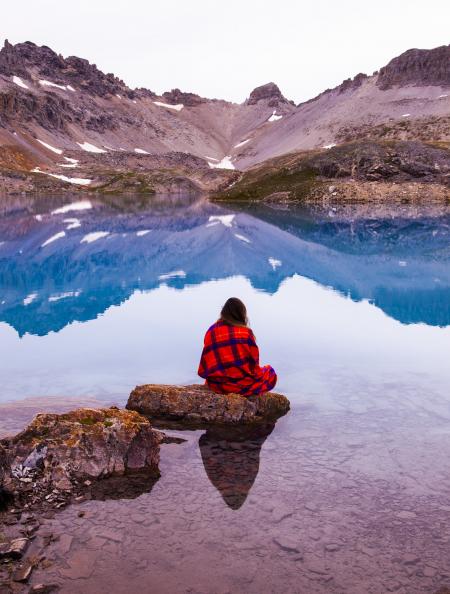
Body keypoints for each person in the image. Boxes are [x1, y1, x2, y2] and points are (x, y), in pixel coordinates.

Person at [198, 297, 277, 396]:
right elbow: (254, 365)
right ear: (241, 314)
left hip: (217, 385)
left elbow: (207, 361)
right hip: (242, 385)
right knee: (270, 372)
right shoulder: (245, 333)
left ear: (223, 312)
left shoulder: (211, 331)